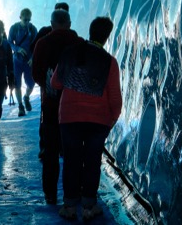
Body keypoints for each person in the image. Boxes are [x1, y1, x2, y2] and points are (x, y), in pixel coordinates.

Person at [51, 17, 122, 221]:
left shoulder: (70, 53)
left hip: (70, 117)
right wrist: (111, 121)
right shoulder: (109, 61)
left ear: (90, 31)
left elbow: (56, 83)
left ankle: (70, 207)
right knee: (92, 162)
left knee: (71, 160)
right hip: (98, 121)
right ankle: (89, 207)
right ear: (107, 36)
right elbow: (115, 98)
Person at [31, 8, 82, 205]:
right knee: (73, 151)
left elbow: (36, 74)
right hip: (75, 106)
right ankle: (73, 193)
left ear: (51, 24)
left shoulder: (43, 44)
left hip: (50, 106)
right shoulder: (79, 44)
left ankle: (50, 194)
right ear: (69, 23)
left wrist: (48, 85)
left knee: (50, 150)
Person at [8, 8, 38, 116]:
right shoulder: (14, 28)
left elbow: (37, 45)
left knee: (31, 83)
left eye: (29, 20)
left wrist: (33, 58)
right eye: (25, 20)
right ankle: (20, 105)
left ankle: (26, 97)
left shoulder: (33, 29)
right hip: (17, 60)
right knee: (17, 84)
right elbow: (9, 42)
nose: (27, 22)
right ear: (20, 17)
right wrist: (17, 49)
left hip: (28, 61)